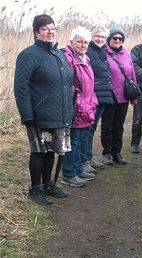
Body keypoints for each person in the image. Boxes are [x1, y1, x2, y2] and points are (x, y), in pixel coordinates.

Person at [14, 14, 73, 204]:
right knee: (39, 151)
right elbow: (21, 87)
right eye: (45, 29)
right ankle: (35, 188)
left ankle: (48, 184)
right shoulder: (28, 55)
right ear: (36, 32)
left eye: (53, 28)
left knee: (51, 151)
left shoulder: (59, 54)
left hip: (59, 113)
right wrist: (27, 114)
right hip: (39, 115)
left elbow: (65, 84)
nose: (50, 32)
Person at [61, 26, 98, 187]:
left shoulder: (85, 58)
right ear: (71, 42)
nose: (83, 45)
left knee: (80, 139)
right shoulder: (67, 59)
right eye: (79, 42)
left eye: (86, 43)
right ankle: (69, 173)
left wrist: (92, 102)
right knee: (73, 141)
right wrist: (80, 105)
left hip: (87, 107)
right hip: (75, 109)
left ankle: (77, 169)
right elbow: (69, 87)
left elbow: (89, 85)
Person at [101, 25, 137, 165]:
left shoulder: (126, 53)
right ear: (109, 39)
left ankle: (117, 152)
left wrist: (134, 96)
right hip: (109, 95)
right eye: (115, 38)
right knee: (107, 125)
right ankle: (107, 153)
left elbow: (132, 73)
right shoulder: (103, 53)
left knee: (119, 126)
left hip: (123, 95)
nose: (117, 40)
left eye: (120, 38)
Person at [82, 25, 114, 171]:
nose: (100, 39)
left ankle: (88, 157)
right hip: (91, 97)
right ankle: (84, 161)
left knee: (92, 128)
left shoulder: (101, 52)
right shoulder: (88, 52)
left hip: (101, 97)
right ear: (91, 36)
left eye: (102, 37)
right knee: (87, 129)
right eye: (97, 36)